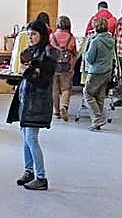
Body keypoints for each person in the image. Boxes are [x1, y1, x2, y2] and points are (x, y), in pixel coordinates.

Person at [7, 19, 57, 191]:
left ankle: (41, 177)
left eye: (34, 34)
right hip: (25, 100)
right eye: (29, 34)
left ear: (42, 35)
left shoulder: (49, 54)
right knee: (26, 140)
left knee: (31, 139)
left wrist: (28, 71)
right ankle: (29, 171)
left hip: (37, 103)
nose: (31, 37)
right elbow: (26, 74)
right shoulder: (30, 52)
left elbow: (43, 81)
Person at [83, 18, 116, 131]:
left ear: (96, 28)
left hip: (96, 72)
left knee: (87, 94)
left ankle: (97, 118)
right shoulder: (111, 39)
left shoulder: (95, 41)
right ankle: (97, 122)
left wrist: (87, 47)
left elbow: (89, 58)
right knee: (100, 97)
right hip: (107, 71)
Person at [49, 16, 78, 121]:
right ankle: (63, 106)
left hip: (53, 67)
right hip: (66, 67)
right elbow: (75, 54)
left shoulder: (52, 37)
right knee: (65, 89)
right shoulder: (71, 38)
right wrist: (72, 67)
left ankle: (56, 111)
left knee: (54, 90)